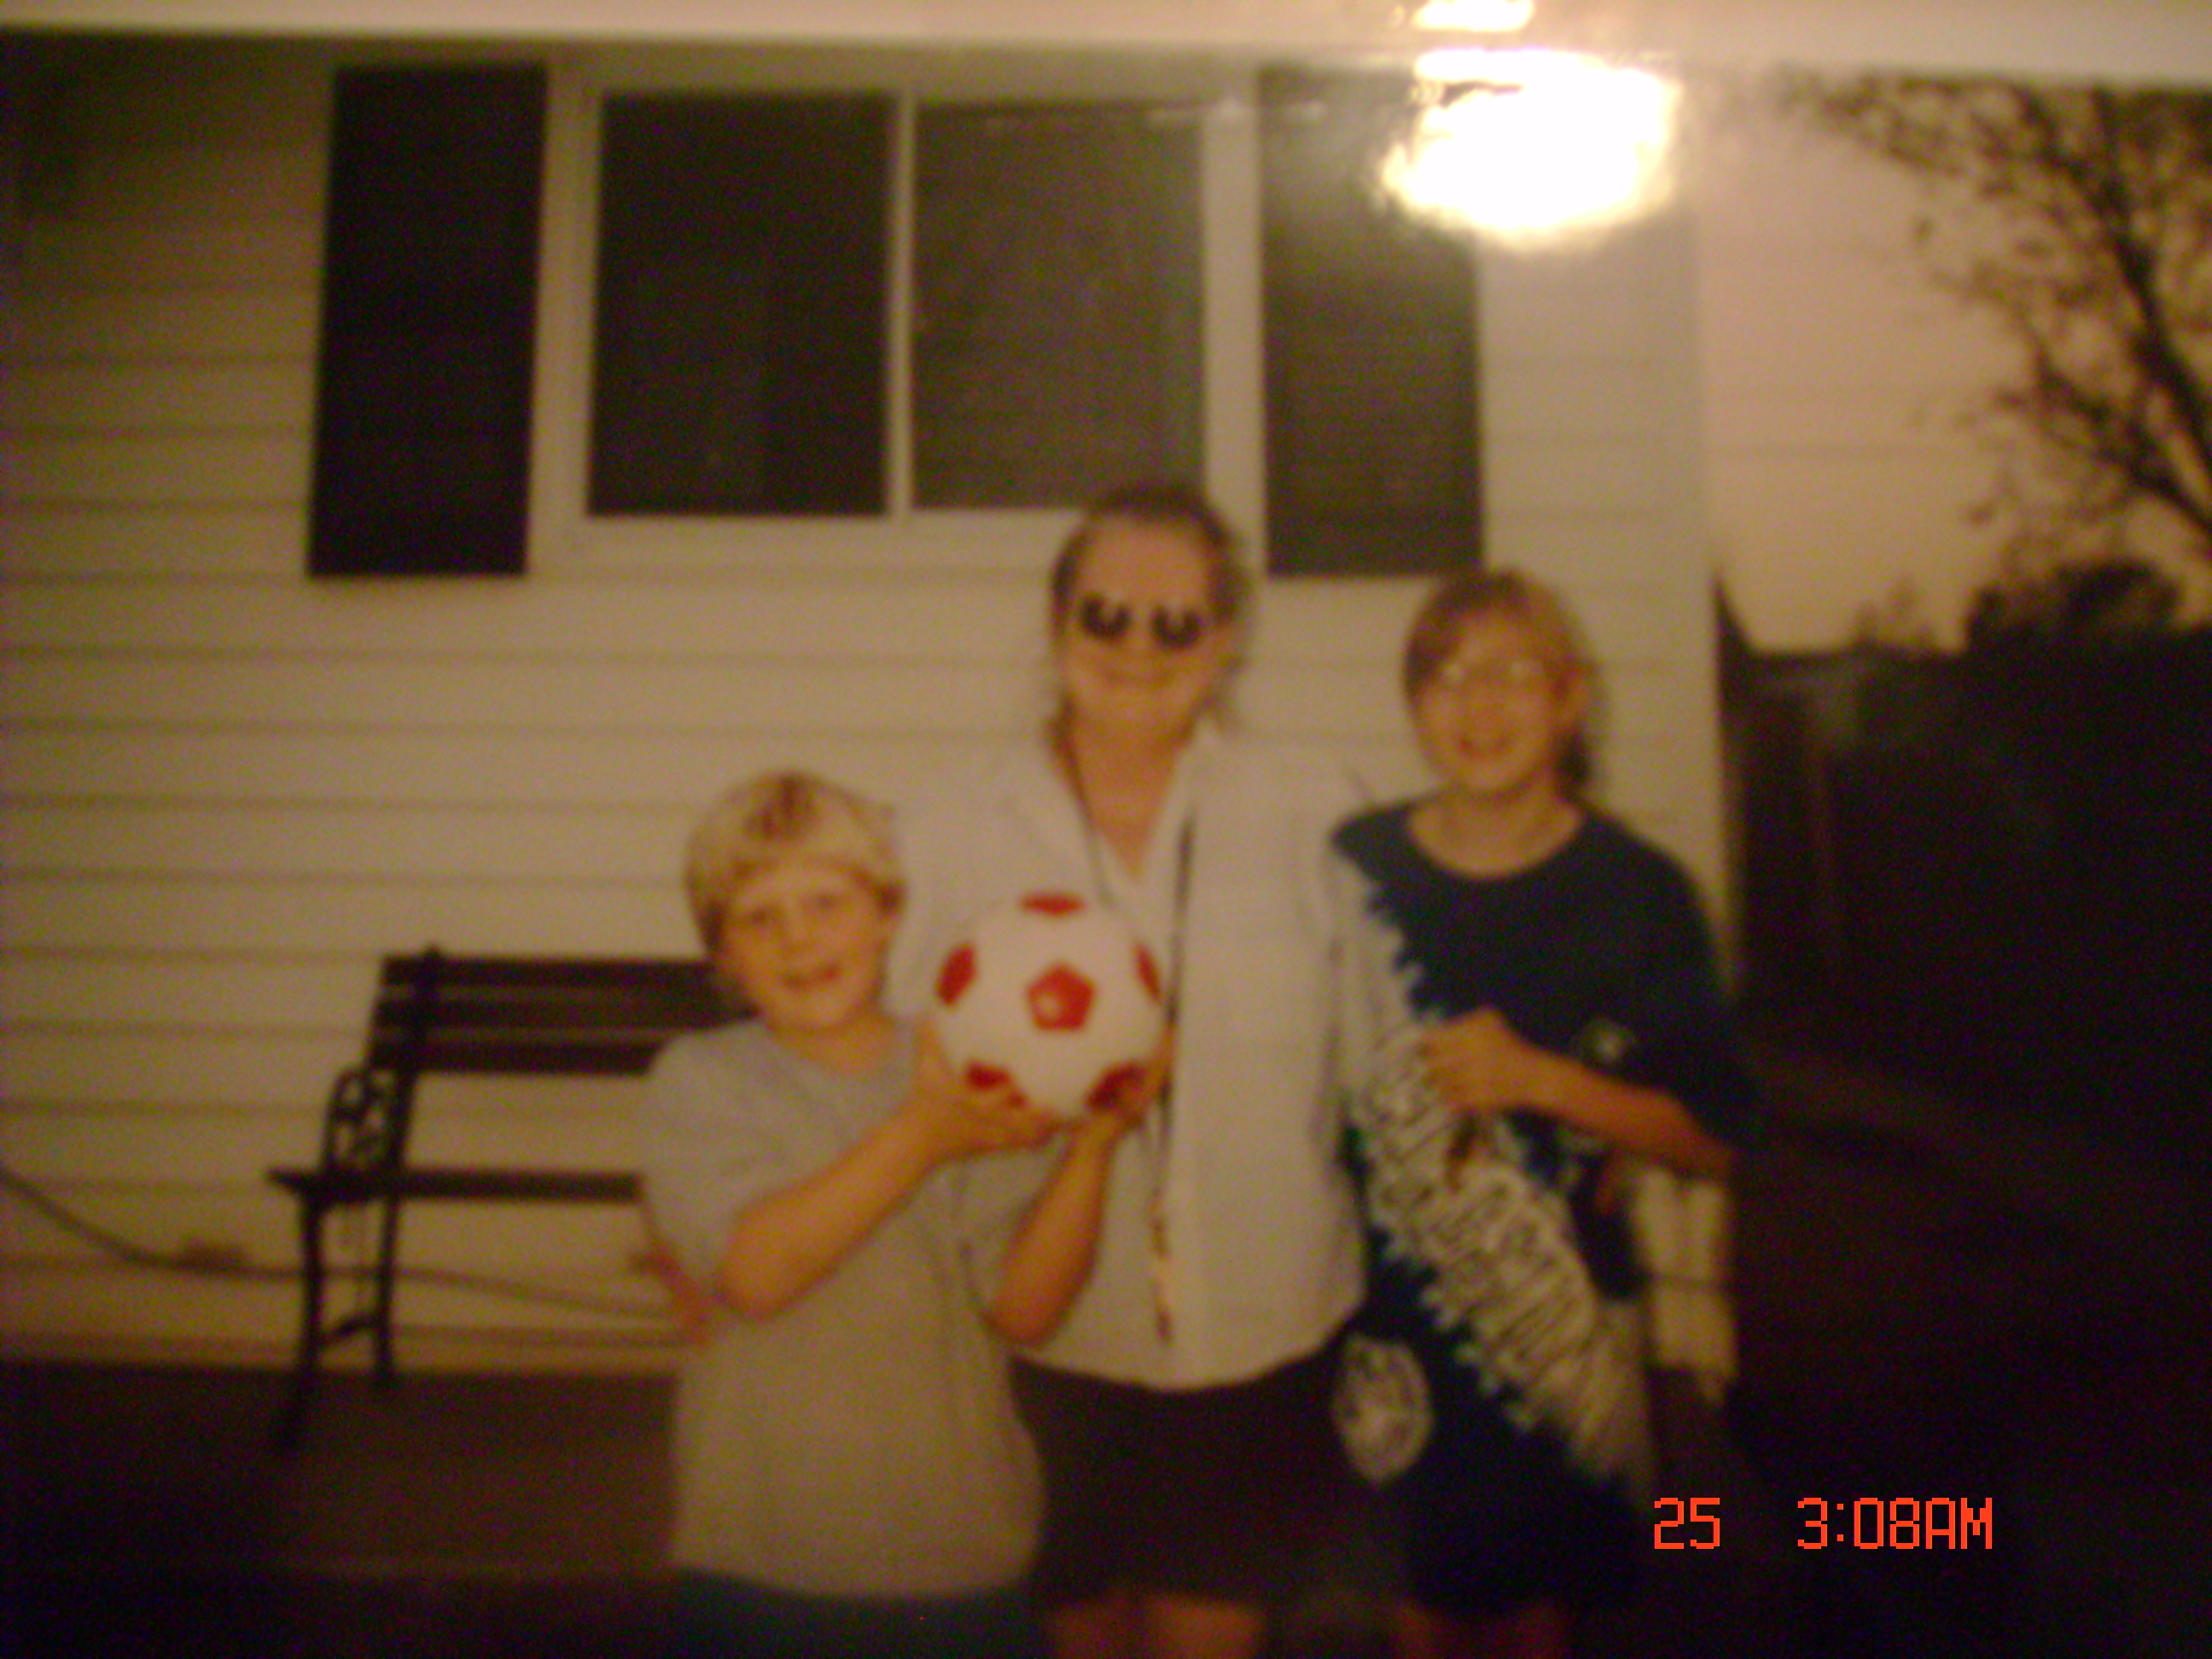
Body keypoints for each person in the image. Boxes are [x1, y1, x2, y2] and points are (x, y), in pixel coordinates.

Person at [888, 483, 1366, 1659]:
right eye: (1106, 616)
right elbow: (884, 1069)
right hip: (1037, 1340)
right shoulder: (947, 825)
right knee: (1076, 1633)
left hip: (1258, 1331)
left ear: (1228, 639)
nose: (1138, 651)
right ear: (1056, 628)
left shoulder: (1317, 813)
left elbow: (1381, 1063)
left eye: (1177, 623)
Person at [1329, 570, 1759, 1659]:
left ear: (1569, 699)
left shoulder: (1642, 892)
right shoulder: (1348, 871)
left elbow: (1717, 1134)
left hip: (1565, 1342)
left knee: (1543, 1622)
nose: (1478, 708)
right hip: (1387, 1333)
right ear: (1413, 705)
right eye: (1446, 677)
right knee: (1415, 1616)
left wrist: (1543, 1082)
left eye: (1511, 675)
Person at [640, 769, 1148, 1659]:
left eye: (829, 903)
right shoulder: (700, 1078)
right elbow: (756, 1276)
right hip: (761, 1563)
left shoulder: (971, 1060)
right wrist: (922, 1133)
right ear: (721, 956)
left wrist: (1096, 1146)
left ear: (888, 912)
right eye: (760, 917)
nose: (800, 940)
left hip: (959, 1560)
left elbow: (1026, 1309)